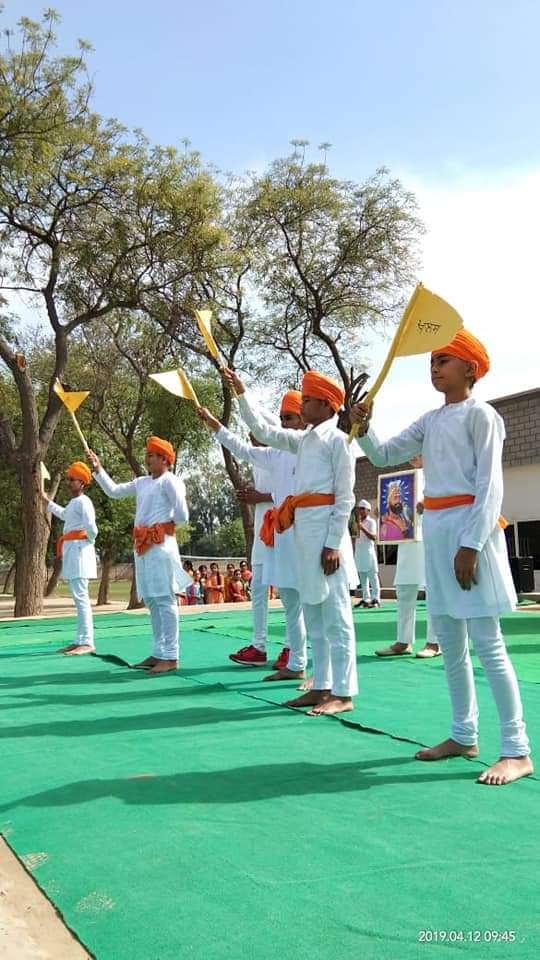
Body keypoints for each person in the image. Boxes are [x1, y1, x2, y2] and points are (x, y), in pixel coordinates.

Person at [351, 328, 533, 784]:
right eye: (431, 361)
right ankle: (463, 734)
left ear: (471, 369)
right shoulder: (430, 421)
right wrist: (365, 426)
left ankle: (517, 749)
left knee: (488, 646)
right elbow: (386, 453)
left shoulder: (484, 416)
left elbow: (491, 486)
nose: (434, 367)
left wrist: (471, 544)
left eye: (444, 360)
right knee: (451, 644)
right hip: (437, 530)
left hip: (471, 531)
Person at [224, 367, 358, 715]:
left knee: (337, 615)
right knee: (313, 612)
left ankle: (343, 692)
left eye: (310, 400)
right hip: (303, 534)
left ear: (329, 406)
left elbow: (344, 498)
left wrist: (332, 543)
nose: (304, 405)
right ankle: (322, 684)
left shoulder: (339, 442)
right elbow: (262, 430)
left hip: (328, 539)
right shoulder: (303, 441)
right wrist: (241, 393)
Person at [198, 389, 308, 682]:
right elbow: (242, 446)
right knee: (276, 590)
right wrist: (215, 426)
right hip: (273, 532)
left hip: (303, 532)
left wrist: (241, 392)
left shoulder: (307, 446)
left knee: (303, 599)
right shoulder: (269, 455)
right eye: (282, 418)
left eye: (289, 418)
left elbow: (305, 493)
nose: (255, 434)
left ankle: (297, 655)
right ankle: (275, 652)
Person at [87, 437, 190, 674]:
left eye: (152, 455)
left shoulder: (170, 481)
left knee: (164, 599)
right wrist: (98, 469)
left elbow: (183, 514)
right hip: (142, 547)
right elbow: (113, 491)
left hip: (161, 546)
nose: (147, 458)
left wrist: (163, 528)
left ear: (165, 459)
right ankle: (158, 652)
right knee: (152, 601)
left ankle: (171, 656)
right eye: (147, 454)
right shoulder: (142, 482)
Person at [375, 461, 440, 657]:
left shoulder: (440, 469)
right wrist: (381, 512)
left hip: (431, 539)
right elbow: (397, 510)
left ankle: (434, 643)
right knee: (404, 591)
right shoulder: (404, 478)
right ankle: (403, 641)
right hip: (407, 544)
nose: (414, 455)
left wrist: (428, 504)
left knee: (434, 592)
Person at [41, 462, 98, 655]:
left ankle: (88, 641)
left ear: (82, 482)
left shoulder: (84, 502)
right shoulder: (75, 503)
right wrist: (46, 501)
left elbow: (92, 529)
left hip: (81, 551)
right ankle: (80, 639)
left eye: (72, 479)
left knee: (81, 597)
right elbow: (65, 514)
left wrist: (85, 540)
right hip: (73, 551)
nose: (69, 482)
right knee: (78, 597)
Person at [353, 500, 381, 608]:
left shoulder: (371, 522)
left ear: (368, 510)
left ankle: (376, 599)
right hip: (359, 553)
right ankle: (366, 599)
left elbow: (373, 537)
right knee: (363, 577)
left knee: (373, 577)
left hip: (369, 553)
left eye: (362, 508)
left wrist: (361, 527)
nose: (360, 510)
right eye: (359, 508)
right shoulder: (356, 522)